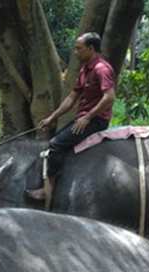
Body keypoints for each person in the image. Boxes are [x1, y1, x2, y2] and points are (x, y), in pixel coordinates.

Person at [25, 32, 116, 205]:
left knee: (55, 144)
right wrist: (52, 117)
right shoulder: (85, 69)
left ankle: (47, 191)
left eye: (79, 49)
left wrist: (88, 117)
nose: (75, 52)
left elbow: (109, 97)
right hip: (83, 118)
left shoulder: (101, 69)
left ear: (91, 49)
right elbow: (71, 98)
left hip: (96, 120)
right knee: (56, 140)